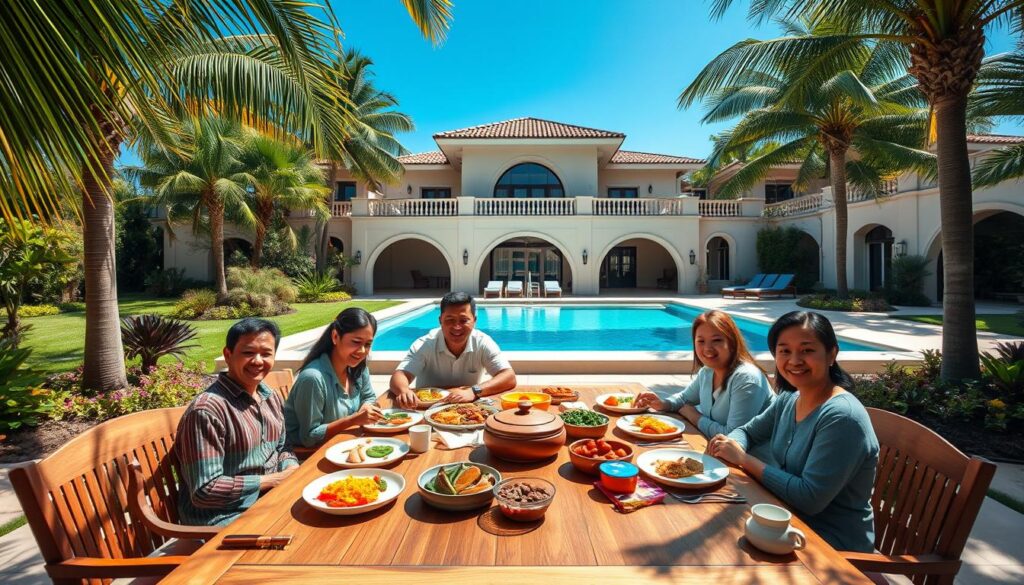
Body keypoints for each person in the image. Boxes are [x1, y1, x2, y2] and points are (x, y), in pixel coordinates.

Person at [706, 311, 879, 552]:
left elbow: (809, 498)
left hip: (830, 545)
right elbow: (748, 432)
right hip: (784, 519)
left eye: (807, 350)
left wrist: (743, 459)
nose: (794, 360)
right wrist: (731, 445)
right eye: (784, 351)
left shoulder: (842, 417)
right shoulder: (790, 397)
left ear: (832, 354)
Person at [175, 318, 298, 526]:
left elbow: (282, 447)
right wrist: (272, 480)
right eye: (248, 352)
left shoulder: (269, 396)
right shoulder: (207, 411)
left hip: (269, 500)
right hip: (224, 518)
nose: (258, 361)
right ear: (228, 355)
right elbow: (205, 491)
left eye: (266, 354)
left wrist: (291, 469)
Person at [634, 310, 774, 454]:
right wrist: (663, 404)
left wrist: (694, 416)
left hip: (755, 461)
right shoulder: (708, 372)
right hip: (716, 452)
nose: (707, 348)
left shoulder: (747, 380)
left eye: (717, 340)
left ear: (732, 342)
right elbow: (684, 399)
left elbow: (732, 438)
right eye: (701, 341)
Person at [390, 291, 516, 407]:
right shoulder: (425, 344)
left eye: (463, 320)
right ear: (440, 320)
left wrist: (474, 391)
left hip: (466, 409)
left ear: (474, 321)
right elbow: (400, 375)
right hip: (426, 409)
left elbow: (509, 377)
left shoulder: (483, 342)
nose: (457, 327)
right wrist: (404, 391)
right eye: (450, 320)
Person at [284, 308, 382, 448]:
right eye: (356, 342)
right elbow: (309, 437)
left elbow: (369, 396)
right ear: (335, 336)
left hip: (344, 444)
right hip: (310, 454)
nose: (362, 351)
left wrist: (366, 406)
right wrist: (353, 420)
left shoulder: (357, 368)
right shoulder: (313, 379)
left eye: (367, 344)